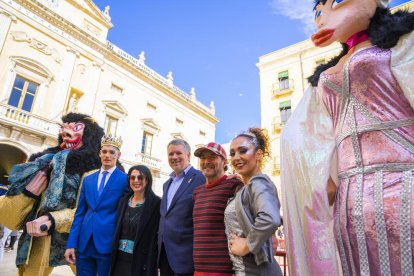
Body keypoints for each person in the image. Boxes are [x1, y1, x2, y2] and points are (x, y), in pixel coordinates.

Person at [280, 1, 414, 275]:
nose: (321, 19)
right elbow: (311, 134)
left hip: (404, 182)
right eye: (317, 14)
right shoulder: (326, 72)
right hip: (350, 196)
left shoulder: (404, 39)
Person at [0, 113, 104, 275]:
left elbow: (95, 212)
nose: (66, 133)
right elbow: (9, 218)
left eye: (76, 128)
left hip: (80, 241)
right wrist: (27, 194)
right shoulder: (43, 163)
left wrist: (53, 219)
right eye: (64, 129)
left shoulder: (99, 171)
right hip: (40, 239)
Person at [65, 134, 128, 276]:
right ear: (99, 153)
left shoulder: (125, 180)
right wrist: (71, 244)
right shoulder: (88, 180)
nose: (107, 155)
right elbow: (80, 213)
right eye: (104, 151)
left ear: (118, 155)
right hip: (84, 243)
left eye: (112, 152)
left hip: (108, 243)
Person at [224, 128, 282, 276]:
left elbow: (270, 218)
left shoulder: (259, 182)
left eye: (242, 151)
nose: (236, 157)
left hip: (258, 270)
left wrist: (247, 244)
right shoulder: (246, 187)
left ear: (258, 155)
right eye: (232, 153)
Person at [192, 142, 243, 276]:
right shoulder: (197, 192)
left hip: (223, 270)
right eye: (203, 158)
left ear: (224, 162)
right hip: (198, 270)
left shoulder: (234, 185)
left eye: (212, 157)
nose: (206, 161)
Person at [158, 139, 205, 276]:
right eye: (171, 154)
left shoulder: (200, 179)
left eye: (178, 153)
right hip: (165, 255)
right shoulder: (167, 184)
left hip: (186, 257)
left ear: (188, 156)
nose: (174, 157)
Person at [110, 165, 161, 276]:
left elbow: (156, 236)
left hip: (141, 263)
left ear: (147, 180)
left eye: (140, 177)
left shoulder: (156, 204)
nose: (136, 181)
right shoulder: (123, 201)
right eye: (132, 178)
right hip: (119, 260)